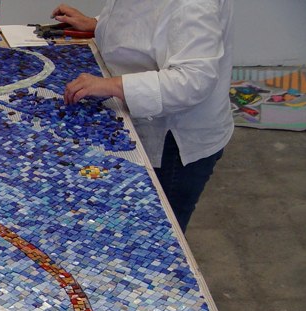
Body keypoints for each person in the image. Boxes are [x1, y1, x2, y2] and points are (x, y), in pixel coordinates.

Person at [51, 1, 234, 232]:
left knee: (158, 231)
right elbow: (152, 25)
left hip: (175, 141)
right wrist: (99, 25)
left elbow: (192, 81)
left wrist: (112, 85)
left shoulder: (194, 4)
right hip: (139, 120)